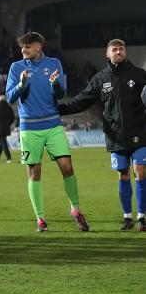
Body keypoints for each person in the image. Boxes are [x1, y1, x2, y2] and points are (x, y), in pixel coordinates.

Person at [58, 39, 146, 231]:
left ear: (125, 52)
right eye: (114, 49)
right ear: (108, 54)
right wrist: (58, 109)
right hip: (115, 136)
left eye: (121, 49)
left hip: (140, 133)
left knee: (140, 172)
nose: (119, 52)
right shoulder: (100, 79)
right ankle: (127, 218)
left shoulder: (139, 75)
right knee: (123, 174)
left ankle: (142, 217)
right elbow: (81, 101)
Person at [6, 32, 89, 233]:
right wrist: (21, 84)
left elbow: (61, 93)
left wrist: (55, 84)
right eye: (22, 46)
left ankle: (75, 210)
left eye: (27, 46)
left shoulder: (54, 63)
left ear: (38, 46)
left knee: (67, 168)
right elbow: (9, 97)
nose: (23, 49)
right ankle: (40, 218)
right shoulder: (16, 67)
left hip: (53, 124)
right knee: (34, 173)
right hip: (29, 128)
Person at [0, 95, 15, 163]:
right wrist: (9, 124)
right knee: (2, 142)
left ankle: (9, 158)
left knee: (3, 142)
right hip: (6, 127)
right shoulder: (9, 107)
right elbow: (13, 117)